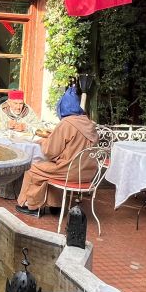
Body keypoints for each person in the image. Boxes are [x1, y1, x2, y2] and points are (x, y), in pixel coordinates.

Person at [15, 87, 98, 216]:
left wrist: (42, 141)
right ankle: (56, 206)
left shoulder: (67, 123)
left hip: (70, 172)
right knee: (50, 168)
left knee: (33, 169)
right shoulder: (89, 123)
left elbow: (50, 151)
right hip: (88, 173)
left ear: (63, 107)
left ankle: (30, 206)